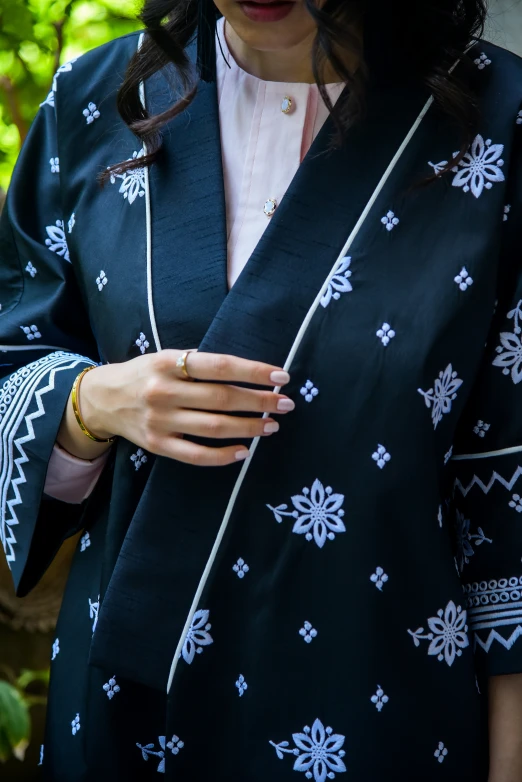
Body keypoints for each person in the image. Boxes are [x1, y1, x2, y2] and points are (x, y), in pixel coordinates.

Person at [1, 0, 522, 778]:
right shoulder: (92, 99)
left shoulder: (498, 118)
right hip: (123, 714)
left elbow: (508, 490)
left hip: (380, 703)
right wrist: (88, 405)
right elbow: (18, 345)